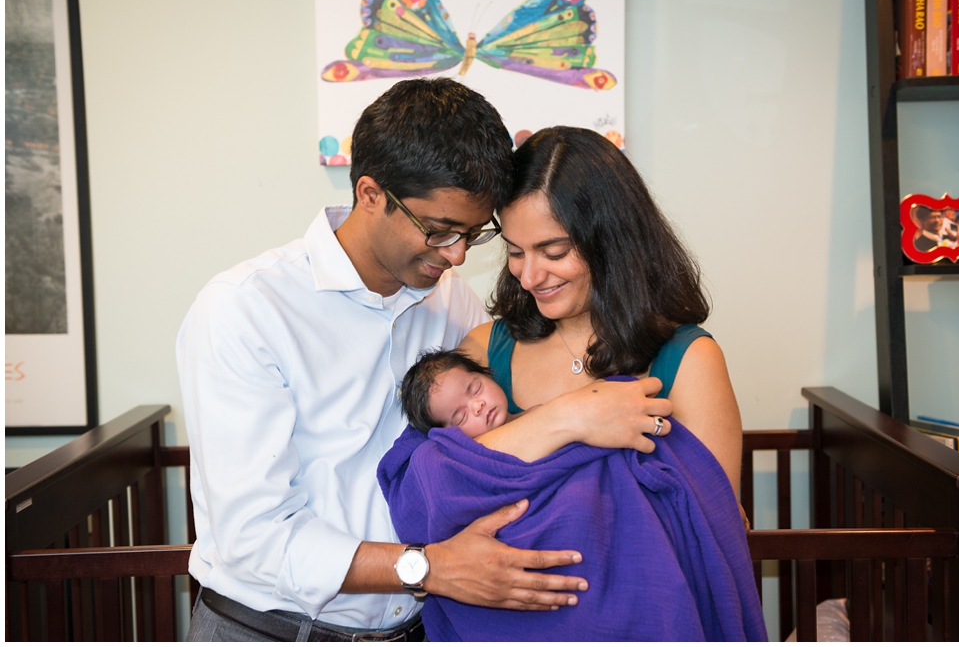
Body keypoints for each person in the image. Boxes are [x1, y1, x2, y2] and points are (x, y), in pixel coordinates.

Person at [177, 80, 673, 641]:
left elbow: (478, 452)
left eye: (473, 234)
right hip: (273, 629)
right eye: (438, 231)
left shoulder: (451, 301)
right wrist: (429, 566)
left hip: (419, 627)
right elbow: (254, 539)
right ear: (370, 194)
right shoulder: (245, 309)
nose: (457, 254)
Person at [379, 127, 766, 641]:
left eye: (553, 251)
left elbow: (708, 533)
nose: (530, 275)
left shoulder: (688, 360)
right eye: (516, 252)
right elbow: (421, 489)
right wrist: (571, 418)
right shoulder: (485, 351)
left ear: (611, 241)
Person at [400, 348, 520, 437]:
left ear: (486, 374)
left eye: (476, 389)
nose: (478, 406)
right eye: (462, 417)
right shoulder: (472, 460)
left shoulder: (535, 414)